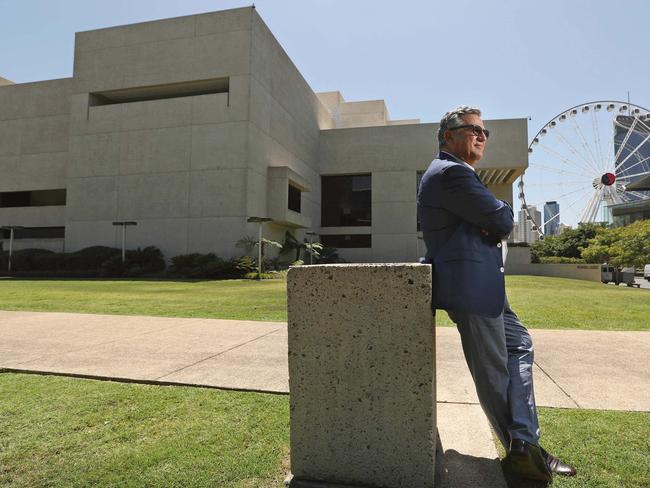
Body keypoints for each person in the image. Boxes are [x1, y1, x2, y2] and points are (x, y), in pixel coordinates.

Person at [417, 106, 577, 483]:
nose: (481, 136)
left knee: (519, 344)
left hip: (486, 288)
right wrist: (496, 214)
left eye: (484, 131)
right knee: (492, 373)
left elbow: (494, 222)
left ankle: (524, 442)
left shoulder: (457, 175)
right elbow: (504, 221)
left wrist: (491, 217)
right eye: (473, 129)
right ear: (448, 136)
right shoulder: (452, 172)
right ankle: (523, 451)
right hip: (471, 289)